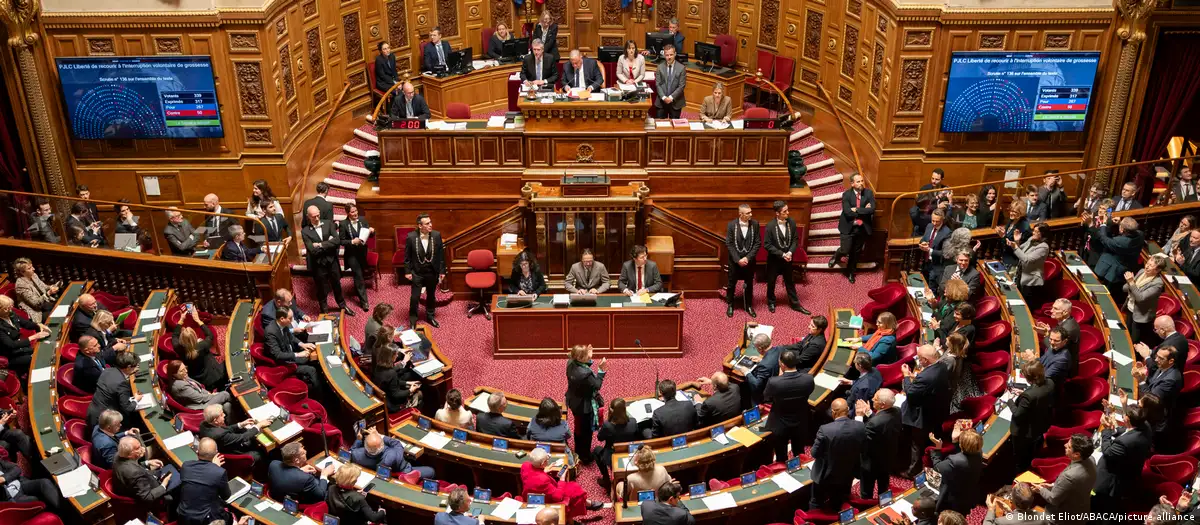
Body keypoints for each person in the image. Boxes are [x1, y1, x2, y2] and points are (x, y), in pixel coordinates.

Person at [902, 344, 951, 477]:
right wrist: (915, 380)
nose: (918, 360)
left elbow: (911, 394)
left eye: (919, 358)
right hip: (936, 410)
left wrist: (906, 377)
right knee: (926, 438)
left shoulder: (926, 376)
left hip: (922, 415)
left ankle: (913, 470)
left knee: (916, 444)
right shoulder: (942, 366)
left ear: (925, 360)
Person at [1093, 406, 1153, 514]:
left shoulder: (1124, 442)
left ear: (1127, 419)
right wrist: (1114, 428)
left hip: (1116, 479)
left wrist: (1106, 430)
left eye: (1125, 415)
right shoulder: (1145, 426)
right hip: (1132, 467)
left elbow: (1107, 452)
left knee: (1104, 508)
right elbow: (1127, 430)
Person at [809, 398, 866, 511]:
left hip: (826, 475)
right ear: (848, 410)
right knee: (838, 501)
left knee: (816, 502)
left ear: (833, 412)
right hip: (848, 473)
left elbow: (814, 453)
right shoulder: (860, 426)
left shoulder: (825, 430)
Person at [520, 448, 602, 519]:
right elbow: (558, 497)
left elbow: (533, 476)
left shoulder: (525, 465)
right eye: (547, 459)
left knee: (573, 487)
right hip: (543, 499)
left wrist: (543, 471)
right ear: (542, 463)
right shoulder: (543, 480)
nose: (548, 460)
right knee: (575, 488)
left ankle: (587, 503)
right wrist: (562, 479)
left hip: (529, 494)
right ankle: (587, 504)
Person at [764, 349, 815, 463]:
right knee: (800, 453)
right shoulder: (808, 379)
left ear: (782, 364)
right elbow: (809, 391)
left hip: (780, 424)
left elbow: (767, 398)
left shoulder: (774, 382)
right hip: (800, 421)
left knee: (781, 456)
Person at [264, 307, 327, 398]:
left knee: (312, 353)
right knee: (312, 370)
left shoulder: (282, 325)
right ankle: (319, 397)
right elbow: (278, 355)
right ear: (282, 319)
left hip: (290, 352)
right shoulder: (271, 332)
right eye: (290, 318)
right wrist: (298, 354)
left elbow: (291, 337)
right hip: (284, 363)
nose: (292, 321)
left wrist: (303, 344)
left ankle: (322, 382)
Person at [302, 204, 351, 315]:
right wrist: (329, 243)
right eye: (314, 216)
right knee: (321, 288)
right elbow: (312, 250)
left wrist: (319, 244)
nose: (317, 218)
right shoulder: (305, 231)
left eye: (318, 215)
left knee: (337, 285)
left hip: (331, 261)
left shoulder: (328, 224)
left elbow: (337, 241)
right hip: (318, 264)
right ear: (308, 216)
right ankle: (324, 310)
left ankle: (342, 305)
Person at [763, 200, 811, 314]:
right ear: (777, 213)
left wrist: (790, 252)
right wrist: (782, 254)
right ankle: (771, 302)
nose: (788, 213)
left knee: (790, 282)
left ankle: (795, 304)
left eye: (787, 210)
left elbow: (795, 240)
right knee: (771, 282)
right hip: (774, 260)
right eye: (785, 211)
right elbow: (767, 245)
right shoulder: (770, 226)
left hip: (788, 259)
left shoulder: (791, 222)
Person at [1008, 360, 1055, 473]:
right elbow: (1038, 396)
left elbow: (1017, 414)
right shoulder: (1050, 383)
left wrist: (1009, 400)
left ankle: (1019, 478)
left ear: (1030, 378)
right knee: (1032, 450)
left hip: (1024, 433)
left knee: (1021, 459)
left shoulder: (1029, 396)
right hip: (1040, 425)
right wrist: (1024, 393)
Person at [1087, 211, 1146, 301]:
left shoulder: (1121, 242)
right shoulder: (1140, 235)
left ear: (1122, 230)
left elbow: (1104, 239)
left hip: (1113, 270)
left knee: (1105, 293)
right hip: (1127, 266)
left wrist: (1103, 224)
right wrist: (1120, 224)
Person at [1038, 434, 1097, 523]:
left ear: (1077, 454)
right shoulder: (1091, 459)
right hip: (1081, 511)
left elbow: (1054, 499)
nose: (1065, 445)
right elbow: (1073, 485)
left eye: (1069, 446)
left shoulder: (1069, 476)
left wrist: (1040, 489)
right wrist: (1053, 485)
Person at [1134, 346, 1183, 452]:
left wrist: (1141, 381)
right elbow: (1153, 381)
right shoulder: (1164, 368)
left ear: (1171, 361)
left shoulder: (1170, 379)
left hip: (1156, 420)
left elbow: (1151, 400)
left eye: (1160, 358)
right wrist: (1145, 376)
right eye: (1156, 356)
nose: (1156, 360)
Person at [856, 388, 902, 498]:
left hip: (871, 463)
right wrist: (869, 412)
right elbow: (881, 424)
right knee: (883, 485)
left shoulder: (873, 423)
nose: (872, 399)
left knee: (866, 491)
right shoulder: (897, 411)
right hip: (888, 458)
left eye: (875, 399)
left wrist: (859, 416)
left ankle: (866, 506)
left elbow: (858, 438)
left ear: (882, 405)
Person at [930, 423, 983, 515]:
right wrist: (955, 441)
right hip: (967, 496)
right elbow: (965, 453)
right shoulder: (978, 454)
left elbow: (937, 467)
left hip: (951, 501)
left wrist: (937, 448)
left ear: (961, 444)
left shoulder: (953, 461)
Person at [565, 344, 606, 462]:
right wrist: (601, 371)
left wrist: (587, 357)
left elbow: (582, 367)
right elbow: (597, 385)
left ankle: (578, 450)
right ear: (579, 358)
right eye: (586, 357)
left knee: (578, 427)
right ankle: (585, 456)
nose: (589, 358)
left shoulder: (570, 363)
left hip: (573, 401)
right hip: (584, 406)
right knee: (586, 431)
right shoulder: (585, 375)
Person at [831, 174, 875, 283]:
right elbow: (847, 212)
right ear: (852, 183)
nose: (861, 183)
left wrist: (857, 209)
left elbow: (872, 210)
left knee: (856, 252)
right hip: (848, 226)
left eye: (862, 181)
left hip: (862, 227)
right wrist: (864, 210)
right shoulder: (846, 195)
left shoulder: (868, 193)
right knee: (845, 250)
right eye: (858, 181)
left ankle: (850, 271)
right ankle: (836, 256)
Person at [177, 438, 231, 525]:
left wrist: (213, 467)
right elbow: (226, 496)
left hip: (183, 516)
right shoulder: (219, 472)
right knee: (229, 516)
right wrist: (214, 467)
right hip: (204, 520)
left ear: (197, 452)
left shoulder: (186, 466)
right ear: (216, 453)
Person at [405, 213, 446, 328]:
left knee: (431, 295)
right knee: (415, 297)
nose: (430, 225)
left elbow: (441, 255)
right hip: (417, 272)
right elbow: (407, 257)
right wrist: (408, 272)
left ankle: (430, 316)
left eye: (430, 222)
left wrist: (442, 271)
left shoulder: (436, 235)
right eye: (427, 223)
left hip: (432, 271)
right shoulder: (411, 237)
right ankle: (413, 319)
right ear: (420, 225)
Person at [113, 436, 179, 506]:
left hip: (144, 480)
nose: (143, 448)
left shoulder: (118, 455)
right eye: (138, 448)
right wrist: (163, 485)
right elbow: (147, 497)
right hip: (151, 493)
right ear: (130, 454)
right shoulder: (134, 472)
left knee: (170, 467)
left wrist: (147, 463)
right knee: (180, 477)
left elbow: (131, 465)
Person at [199, 404, 270, 466]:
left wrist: (241, 424)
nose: (224, 415)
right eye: (221, 414)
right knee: (259, 453)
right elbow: (243, 437)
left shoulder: (204, 424)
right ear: (216, 420)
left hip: (224, 447)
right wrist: (259, 425)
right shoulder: (220, 435)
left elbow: (225, 429)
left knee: (246, 432)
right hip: (234, 454)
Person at [174, 309, 228, 391]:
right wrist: (197, 320)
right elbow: (210, 335)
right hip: (212, 374)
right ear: (195, 336)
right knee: (226, 363)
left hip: (196, 377)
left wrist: (181, 320)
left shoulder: (178, 347)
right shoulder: (202, 345)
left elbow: (174, 335)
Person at [351, 427, 435, 478]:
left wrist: (358, 440)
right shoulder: (392, 455)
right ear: (382, 445)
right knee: (431, 471)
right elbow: (397, 444)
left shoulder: (356, 455)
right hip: (403, 471)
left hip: (381, 472)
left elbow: (352, 450)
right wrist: (380, 435)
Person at [85, 351, 141, 430]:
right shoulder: (122, 384)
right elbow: (127, 407)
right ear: (128, 367)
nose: (136, 368)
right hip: (107, 420)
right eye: (135, 366)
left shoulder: (108, 371)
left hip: (93, 412)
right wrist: (136, 400)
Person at [725, 204, 760, 318]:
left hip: (749, 261)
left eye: (751, 212)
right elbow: (729, 244)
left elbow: (757, 243)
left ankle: (749, 305)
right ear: (740, 214)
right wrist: (737, 259)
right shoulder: (731, 225)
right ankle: (730, 304)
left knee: (749, 283)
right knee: (731, 284)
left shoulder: (755, 224)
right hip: (735, 262)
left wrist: (747, 258)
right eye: (748, 213)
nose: (751, 214)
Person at [594, 398, 640, 487]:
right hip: (629, 452)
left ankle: (606, 479)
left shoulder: (608, 425)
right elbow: (637, 437)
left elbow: (600, 438)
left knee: (596, 451)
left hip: (612, 454)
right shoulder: (633, 422)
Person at [269, 442, 333, 504]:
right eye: (303, 453)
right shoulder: (306, 478)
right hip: (298, 503)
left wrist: (299, 470)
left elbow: (287, 475)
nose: (306, 452)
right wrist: (324, 474)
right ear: (297, 460)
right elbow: (321, 495)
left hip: (277, 496)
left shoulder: (273, 464)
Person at [1125, 253, 1167, 346]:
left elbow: (1140, 298)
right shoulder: (1141, 271)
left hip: (1141, 315)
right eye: (1147, 263)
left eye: (1151, 265)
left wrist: (1131, 282)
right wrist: (1129, 282)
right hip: (1130, 307)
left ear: (1158, 270)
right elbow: (1124, 288)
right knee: (1126, 333)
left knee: (1135, 340)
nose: (1147, 267)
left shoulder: (1158, 284)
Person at [0, 295, 48, 375]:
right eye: (6, 308)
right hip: (11, 356)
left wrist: (39, 326)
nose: (10, 309)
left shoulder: (10, 314)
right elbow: (11, 345)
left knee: (40, 352)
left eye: (10, 306)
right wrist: (33, 337)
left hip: (21, 348)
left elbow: (26, 323)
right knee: (35, 359)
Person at [338, 203, 374, 311]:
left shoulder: (363, 220)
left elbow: (369, 235)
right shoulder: (343, 224)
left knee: (360, 274)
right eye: (353, 212)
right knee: (358, 276)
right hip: (351, 254)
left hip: (362, 253)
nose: (355, 213)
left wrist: (372, 231)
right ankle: (364, 302)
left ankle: (358, 288)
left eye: (356, 211)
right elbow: (341, 241)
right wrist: (352, 241)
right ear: (348, 213)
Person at [373, 339, 422, 412]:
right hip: (393, 405)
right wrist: (410, 390)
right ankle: (413, 412)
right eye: (396, 354)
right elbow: (396, 394)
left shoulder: (379, 365)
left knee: (410, 382)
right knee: (419, 394)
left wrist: (408, 383)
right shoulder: (391, 373)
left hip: (386, 394)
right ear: (391, 357)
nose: (397, 356)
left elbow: (392, 383)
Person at [167, 361, 233, 414]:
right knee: (225, 394)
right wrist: (213, 395)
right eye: (182, 371)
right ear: (174, 374)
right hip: (200, 406)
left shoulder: (182, 376)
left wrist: (208, 393)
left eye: (185, 368)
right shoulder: (180, 386)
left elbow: (199, 388)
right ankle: (238, 403)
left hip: (202, 399)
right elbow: (199, 399)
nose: (186, 371)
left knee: (227, 406)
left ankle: (234, 423)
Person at [1036, 298, 1081, 375]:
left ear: (1065, 312)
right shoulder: (1066, 320)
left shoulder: (1068, 329)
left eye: (1055, 309)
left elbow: (1053, 347)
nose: (1051, 311)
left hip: (1063, 367)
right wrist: (1049, 331)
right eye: (1052, 307)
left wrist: (1046, 334)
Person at [1010, 221, 1049, 305]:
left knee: (1027, 304)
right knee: (1019, 300)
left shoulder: (1044, 247)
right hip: (1021, 274)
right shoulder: (1031, 239)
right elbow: (1020, 250)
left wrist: (1015, 247)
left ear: (1042, 233)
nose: (1033, 233)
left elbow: (1027, 259)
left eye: (1036, 231)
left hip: (1031, 281)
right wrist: (1017, 241)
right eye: (1033, 231)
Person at [918, 209, 952, 292]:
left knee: (931, 289)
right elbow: (923, 239)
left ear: (942, 220)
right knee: (923, 284)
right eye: (933, 220)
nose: (934, 223)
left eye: (937, 221)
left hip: (936, 266)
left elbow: (945, 253)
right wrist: (923, 243)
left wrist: (929, 250)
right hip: (925, 263)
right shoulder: (929, 226)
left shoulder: (947, 233)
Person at [744, 333, 779, 403]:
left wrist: (746, 372)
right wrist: (761, 360)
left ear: (760, 349)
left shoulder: (764, 366)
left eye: (755, 348)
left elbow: (757, 385)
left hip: (765, 394)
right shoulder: (779, 349)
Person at [653, 44, 686, 119]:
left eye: (671, 54)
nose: (669, 57)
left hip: (676, 101)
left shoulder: (681, 68)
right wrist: (664, 97)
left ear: (675, 54)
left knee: (674, 127)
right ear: (664, 55)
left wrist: (671, 97)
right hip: (662, 101)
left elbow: (681, 86)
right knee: (659, 125)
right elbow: (657, 84)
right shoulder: (660, 67)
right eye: (667, 55)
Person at [995, 200, 1030, 267]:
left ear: (1021, 213)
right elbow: (1006, 238)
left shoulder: (1024, 227)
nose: (1011, 213)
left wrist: (1003, 236)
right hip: (1004, 257)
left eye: (1014, 212)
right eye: (1011, 210)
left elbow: (1020, 249)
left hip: (1013, 261)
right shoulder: (1011, 220)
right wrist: (1003, 233)